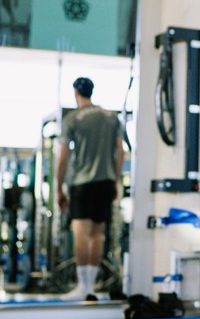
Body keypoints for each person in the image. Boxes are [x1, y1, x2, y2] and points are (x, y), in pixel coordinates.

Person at [56, 77, 124, 300]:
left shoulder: (73, 119)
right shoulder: (110, 117)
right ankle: (91, 287)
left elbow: (63, 158)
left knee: (81, 234)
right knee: (97, 235)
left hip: (82, 183)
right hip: (105, 181)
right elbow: (120, 152)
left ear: (76, 92)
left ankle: (82, 287)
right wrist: (115, 180)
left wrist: (59, 188)